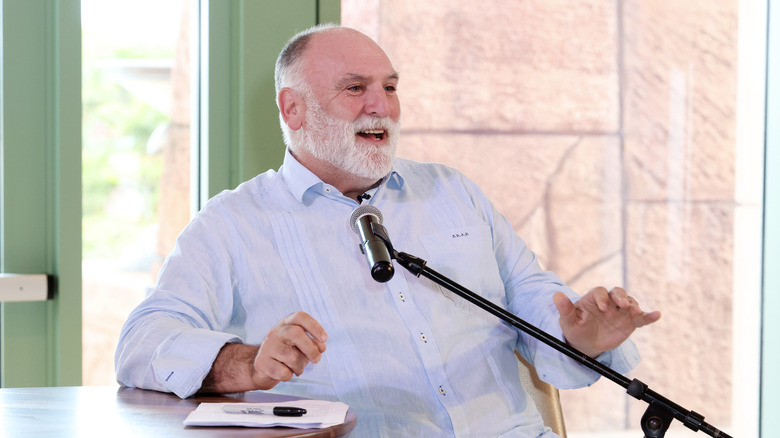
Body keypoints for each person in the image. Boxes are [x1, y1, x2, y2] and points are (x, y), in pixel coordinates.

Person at [115, 23, 661, 437]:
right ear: (293, 108)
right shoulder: (233, 224)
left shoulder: (451, 192)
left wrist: (580, 336)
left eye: (390, 87)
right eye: (355, 88)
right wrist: (249, 363)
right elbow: (142, 344)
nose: (382, 106)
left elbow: (532, 295)